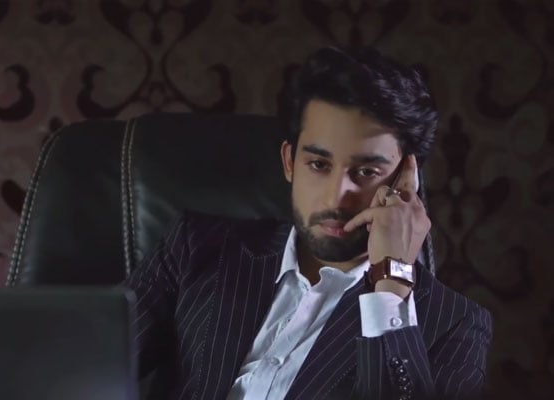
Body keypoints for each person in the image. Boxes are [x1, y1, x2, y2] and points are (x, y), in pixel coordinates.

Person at [123, 46, 492, 400]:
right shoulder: (197, 248)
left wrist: (390, 286)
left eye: (366, 171)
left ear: (406, 182)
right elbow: (92, 363)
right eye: (318, 164)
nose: (336, 198)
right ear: (289, 162)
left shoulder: (453, 325)